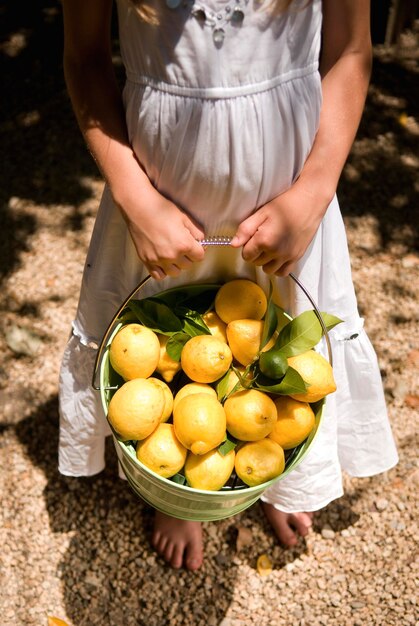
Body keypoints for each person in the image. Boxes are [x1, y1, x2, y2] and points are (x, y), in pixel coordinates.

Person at [58, 0, 399, 571]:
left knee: (276, 338)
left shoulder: (305, 195)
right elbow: (85, 57)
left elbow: (350, 49)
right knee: (166, 349)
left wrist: (312, 195)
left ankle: (272, 472)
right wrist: (137, 202)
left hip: (290, 179)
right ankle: (182, 486)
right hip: (162, 182)